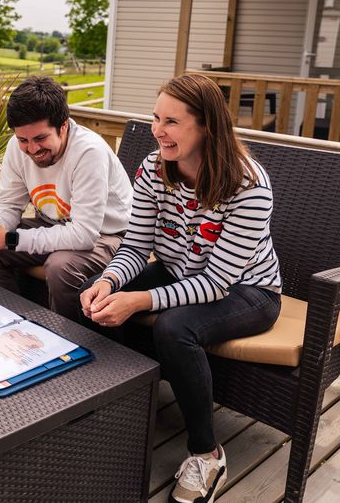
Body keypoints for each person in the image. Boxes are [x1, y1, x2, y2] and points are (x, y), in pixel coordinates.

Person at [80, 73, 282, 503]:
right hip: (179, 273)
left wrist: (139, 300)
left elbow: (216, 283)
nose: (157, 130)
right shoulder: (154, 168)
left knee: (173, 328)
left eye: (171, 121)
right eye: (156, 118)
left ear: (206, 125)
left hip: (248, 291)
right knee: (95, 290)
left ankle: (208, 454)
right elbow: (135, 247)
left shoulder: (249, 185)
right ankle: (122, 411)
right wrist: (110, 280)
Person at [0, 76, 133, 321]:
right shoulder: (16, 147)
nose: (32, 149)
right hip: (55, 224)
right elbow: (9, 203)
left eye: (40, 138)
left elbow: (84, 234)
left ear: (63, 126)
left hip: (107, 235)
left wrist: (10, 239)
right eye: (23, 140)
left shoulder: (89, 152)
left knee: (60, 267)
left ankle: (70, 337)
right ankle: (12, 325)